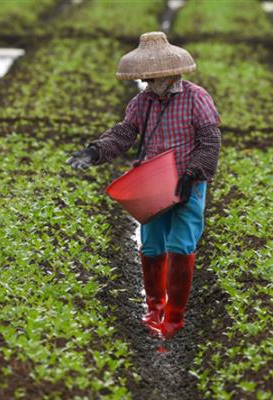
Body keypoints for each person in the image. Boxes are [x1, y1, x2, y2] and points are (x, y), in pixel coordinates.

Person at [66, 32, 221, 339]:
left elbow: (210, 141)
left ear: (168, 74)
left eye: (152, 78)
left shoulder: (196, 98)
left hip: (188, 182)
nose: (148, 83)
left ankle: (174, 317)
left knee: (181, 244)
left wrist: (193, 174)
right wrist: (94, 151)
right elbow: (124, 134)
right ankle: (155, 309)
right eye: (146, 79)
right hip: (154, 183)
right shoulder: (142, 103)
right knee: (150, 245)